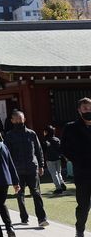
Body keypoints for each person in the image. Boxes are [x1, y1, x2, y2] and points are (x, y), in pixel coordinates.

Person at [4, 111, 48, 226]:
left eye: (21, 119)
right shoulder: (9, 135)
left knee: (36, 193)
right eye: (16, 119)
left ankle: (42, 218)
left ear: (24, 119)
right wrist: (9, 170)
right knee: (20, 194)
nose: (19, 121)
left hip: (32, 167)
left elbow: (38, 150)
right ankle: (24, 217)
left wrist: (41, 165)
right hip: (17, 169)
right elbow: (6, 154)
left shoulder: (31, 133)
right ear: (12, 121)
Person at [61, 96, 91, 237]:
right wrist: (76, 160)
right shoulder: (71, 127)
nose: (88, 110)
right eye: (85, 108)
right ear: (79, 110)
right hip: (82, 171)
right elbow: (64, 148)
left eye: (90, 108)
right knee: (84, 205)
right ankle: (80, 230)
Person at [42, 125, 66, 194]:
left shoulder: (46, 140)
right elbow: (60, 148)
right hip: (58, 158)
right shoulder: (57, 139)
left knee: (54, 174)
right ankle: (62, 183)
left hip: (50, 159)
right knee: (58, 172)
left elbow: (44, 149)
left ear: (46, 132)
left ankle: (58, 188)